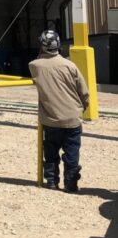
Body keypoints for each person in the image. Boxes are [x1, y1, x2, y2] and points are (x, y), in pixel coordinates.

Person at [29, 29, 90, 192]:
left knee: (50, 151)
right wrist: (81, 109)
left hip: (50, 119)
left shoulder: (34, 66)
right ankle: (70, 184)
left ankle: (51, 181)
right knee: (71, 153)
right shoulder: (70, 66)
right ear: (58, 46)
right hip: (72, 119)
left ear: (42, 46)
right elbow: (84, 93)